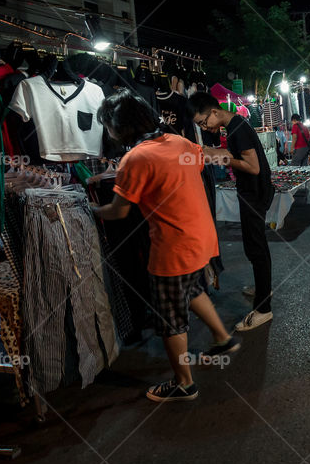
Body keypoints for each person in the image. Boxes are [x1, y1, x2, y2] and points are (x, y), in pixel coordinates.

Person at [92, 90, 240, 402]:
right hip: (202, 237)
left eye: (108, 127)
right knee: (192, 290)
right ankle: (222, 338)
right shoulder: (180, 142)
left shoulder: (135, 158)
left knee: (170, 318)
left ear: (121, 127)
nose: (109, 133)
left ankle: (184, 383)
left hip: (173, 248)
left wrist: (89, 209)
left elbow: (119, 210)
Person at [189, 92, 276, 331]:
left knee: (256, 248)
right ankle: (263, 289)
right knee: (254, 246)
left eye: (203, 122)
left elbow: (254, 167)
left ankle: (263, 309)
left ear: (214, 112)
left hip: (254, 194)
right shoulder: (236, 125)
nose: (204, 127)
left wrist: (222, 158)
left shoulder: (237, 129)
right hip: (253, 192)